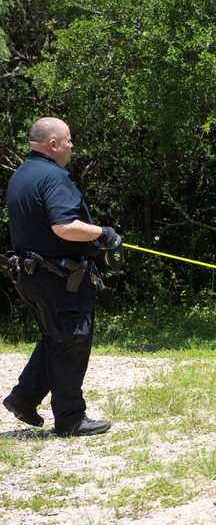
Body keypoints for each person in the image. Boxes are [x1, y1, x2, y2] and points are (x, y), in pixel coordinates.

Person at [1, 117, 120, 437]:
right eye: (68, 141)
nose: (71, 146)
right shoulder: (53, 177)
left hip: (31, 276)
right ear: (53, 144)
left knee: (58, 337)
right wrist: (104, 233)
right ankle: (70, 418)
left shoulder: (22, 175)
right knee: (73, 339)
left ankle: (23, 397)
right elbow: (64, 227)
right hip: (59, 277)